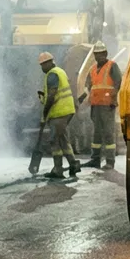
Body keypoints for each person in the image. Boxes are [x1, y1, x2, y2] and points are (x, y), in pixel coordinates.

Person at [77, 41, 122, 169]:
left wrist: (113, 99)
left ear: (106, 54)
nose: (99, 56)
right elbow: (89, 87)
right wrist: (82, 97)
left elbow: (118, 82)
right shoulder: (92, 69)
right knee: (96, 133)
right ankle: (95, 160)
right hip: (96, 106)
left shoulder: (112, 66)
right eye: (96, 54)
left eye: (101, 54)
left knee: (108, 133)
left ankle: (110, 161)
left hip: (107, 106)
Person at [35, 50, 78, 179]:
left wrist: (44, 113)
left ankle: (58, 169)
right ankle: (73, 164)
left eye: (42, 65)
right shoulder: (60, 71)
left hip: (59, 112)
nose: (42, 68)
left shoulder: (52, 74)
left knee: (54, 141)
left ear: (48, 63)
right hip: (66, 110)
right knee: (63, 139)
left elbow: (52, 95)